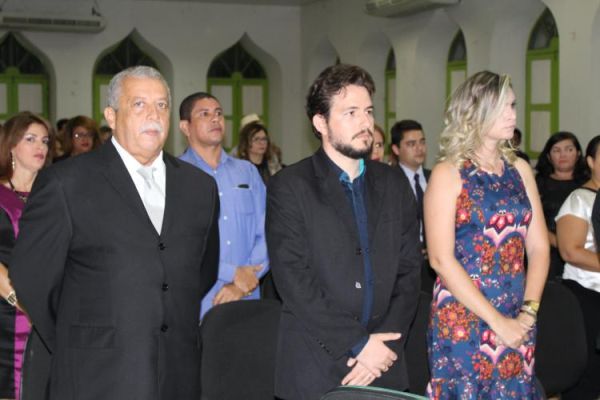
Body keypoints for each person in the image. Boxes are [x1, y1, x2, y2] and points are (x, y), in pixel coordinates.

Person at [9, 66, 220, 399]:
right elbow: (32, 278)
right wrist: (80, 338)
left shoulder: (199, 187)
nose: (153, 114)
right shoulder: (67, 183)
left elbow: (200, 271)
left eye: (161, 105)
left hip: (177, 374)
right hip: (96, 375)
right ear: (111, 115)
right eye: (139, 104)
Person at [266, 64, 422, 400]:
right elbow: (294, 279)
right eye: (351, 113)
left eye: (368, 111)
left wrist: (381, 347)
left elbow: (410, 272)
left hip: (386, 360)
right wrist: (359, 344)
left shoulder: (393, 183)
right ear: (320, 123)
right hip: (316, 363)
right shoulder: (290, 186)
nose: (366, 123)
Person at [425, 70, 549, 398]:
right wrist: (497, 321)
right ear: (475, 112)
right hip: (464, 317)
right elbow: (440, 259)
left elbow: (539, 247)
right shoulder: (449, 173)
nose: (513, 115)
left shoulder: (520, 169)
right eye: (503, 107)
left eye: (513, 105)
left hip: (517, 314)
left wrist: (528, 313)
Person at [179, 92, 268, 318]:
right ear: (185, 127)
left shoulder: (247, 172)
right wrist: (231, 273)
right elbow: (178, 243)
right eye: (204, 114)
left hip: (247, 295)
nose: (215, 118)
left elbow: (268, 230)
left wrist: (243, 282)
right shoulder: (175, 175)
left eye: (219, 113)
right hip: (198, 302)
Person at [0, 112, 52, 400]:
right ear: (11, 145)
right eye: (30, 139)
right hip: (7, 314)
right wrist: (23, 305)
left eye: (44, 141)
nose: (40, 146)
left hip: (51, 312)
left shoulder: (55, 193)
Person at [556, 135, 600, 400]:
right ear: (591, 162)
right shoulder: (580, 198)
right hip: (586, 294)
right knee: (588, 375)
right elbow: (570, 251)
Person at [536, 131, 588, 280]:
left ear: (578, 154)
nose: (563, 155)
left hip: (583, 251)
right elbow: (532, 220)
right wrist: (560, 243)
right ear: (548, 156)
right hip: (546, 250)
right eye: (556, 150)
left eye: (569, 149)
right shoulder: (538, 183)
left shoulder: (588, 183)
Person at [390, 119, 433, 291]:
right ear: (396, 149)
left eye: (422, 142)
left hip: (435, 264)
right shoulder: (388, 181)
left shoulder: (435, 178)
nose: (419, 148)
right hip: (403, 266)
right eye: (411, 144)